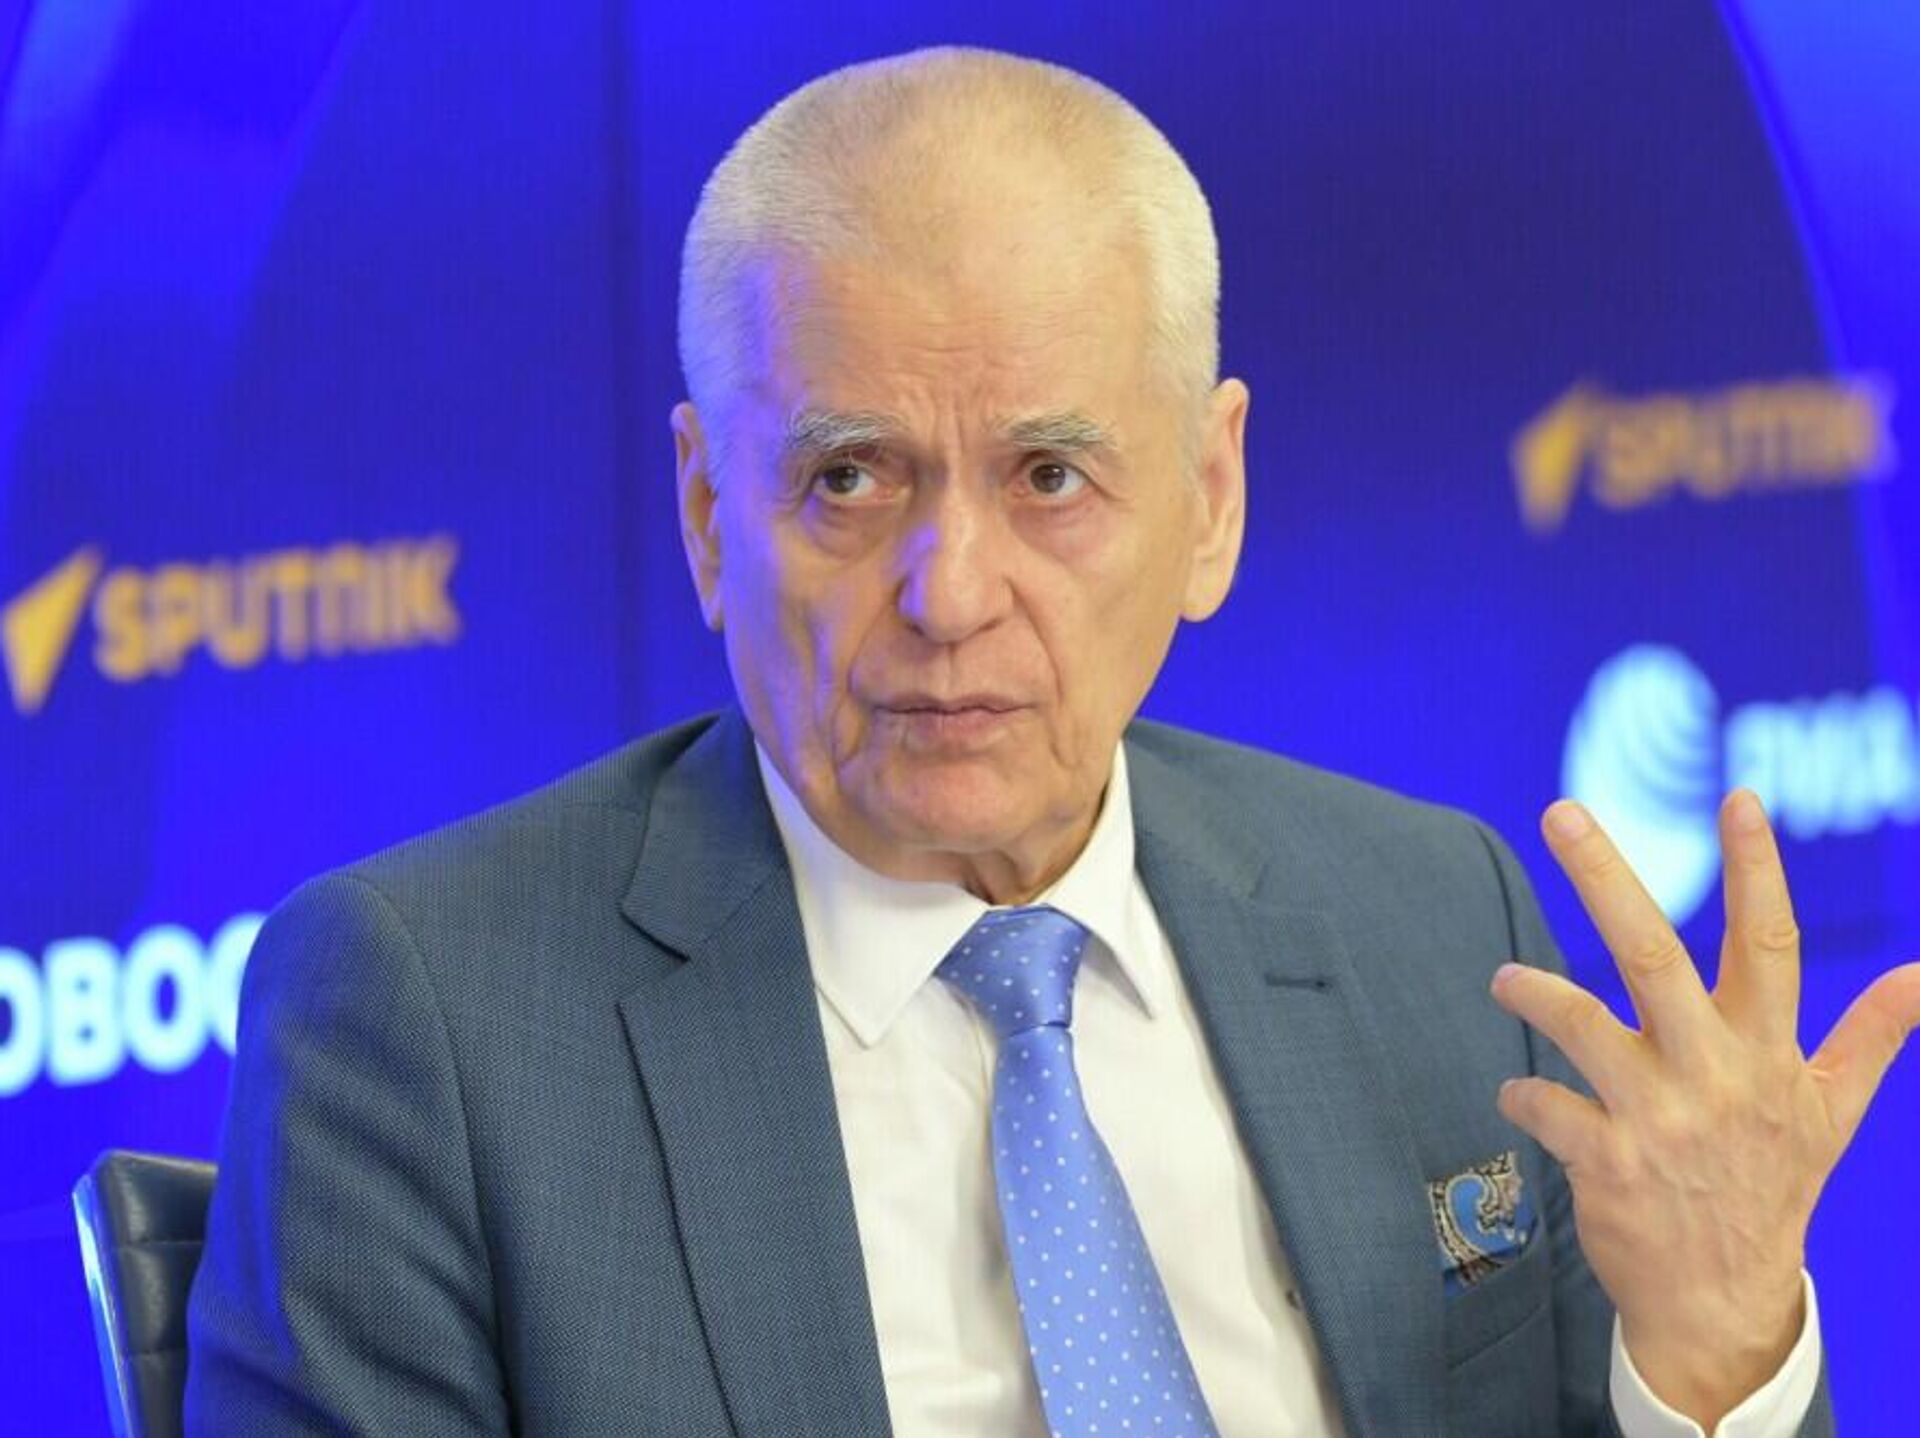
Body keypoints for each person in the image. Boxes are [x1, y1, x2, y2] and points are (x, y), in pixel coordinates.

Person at [186, 47, 1917, 1436]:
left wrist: (1715, 1360)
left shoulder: (1433, 922)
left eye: (1049, 476)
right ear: (711, 517)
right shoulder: (435, 1024)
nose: (951, 594)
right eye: (848, 478)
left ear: (1211, 499)